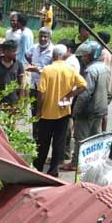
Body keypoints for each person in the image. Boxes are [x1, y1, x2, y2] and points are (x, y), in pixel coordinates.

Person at [34, 44, 87, 176]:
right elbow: (83, 86)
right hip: (63, 113)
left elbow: (41, 92)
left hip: (47, 113)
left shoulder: (47, 70)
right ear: (64, 56)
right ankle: (53, 170)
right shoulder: (70, 69)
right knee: (59, 143)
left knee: (43, 142)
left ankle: (38, 168)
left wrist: (38, 110)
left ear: (53, 56)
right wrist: (69, 95)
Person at [65, 41, 111, 171]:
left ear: (92, 55)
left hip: (88, 111)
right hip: (100, 109)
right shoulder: (105, 68)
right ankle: (93, 162)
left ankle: (75, 163)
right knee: (95, 137)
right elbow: (108, 92)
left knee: (81, 138)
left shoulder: (90, 71)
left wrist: (75, 111)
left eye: (85, 56)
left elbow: (85, 93)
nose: (82, 58)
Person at [26, 27, 54, 141]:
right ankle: (35, 139)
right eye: (41, 36)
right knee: (34, 113)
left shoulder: (53, 51)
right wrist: (31, 64)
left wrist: (37, 70)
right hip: (34, 86)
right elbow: (26, 54)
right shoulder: (34, 48)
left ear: (49, 37)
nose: (42, 39)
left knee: (44, 113)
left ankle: (43, 139)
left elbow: (53, 69)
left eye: (45, 36)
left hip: (46, 88)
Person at [0, 39, 25, 105]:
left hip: (14, 102)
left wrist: (20, 102)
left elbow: (21, 85)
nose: (16, 53)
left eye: (16, 50)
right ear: (5, 52)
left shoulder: (19, 64)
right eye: (13, 51)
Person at [97, 31, 112, 132]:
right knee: (103, 112)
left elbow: (101, 72)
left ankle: (103, 132)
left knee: (102, 112)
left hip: (105, 88)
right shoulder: (106, 51)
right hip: (108, 88)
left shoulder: (103, 53)